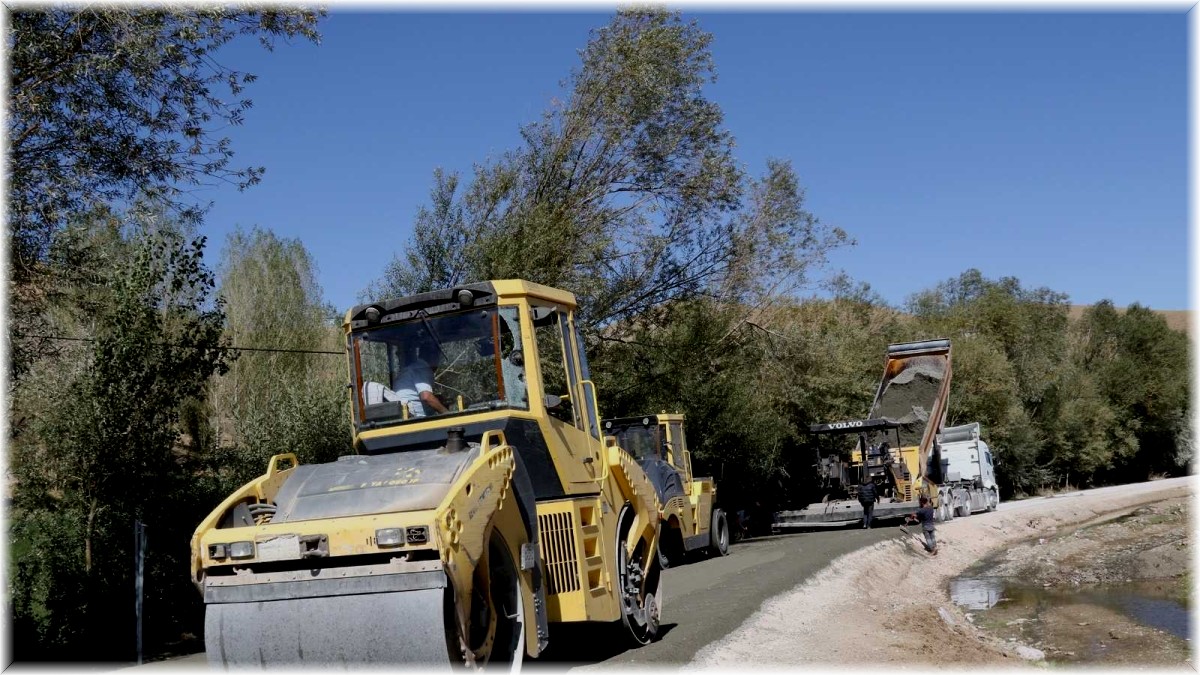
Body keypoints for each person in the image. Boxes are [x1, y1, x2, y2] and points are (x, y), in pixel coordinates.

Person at [393, 338, 449, 418]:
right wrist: (447, 413)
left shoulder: (412, 368)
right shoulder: (422, 368)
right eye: (438, 356)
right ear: (433, 355)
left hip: (404, 415)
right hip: (415, 418)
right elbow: (426, 397)